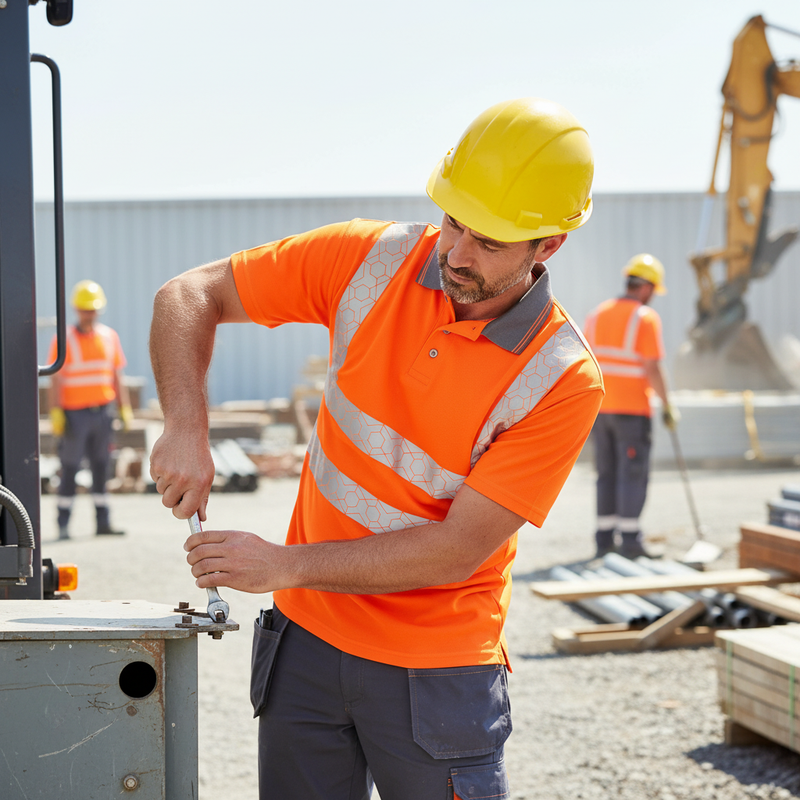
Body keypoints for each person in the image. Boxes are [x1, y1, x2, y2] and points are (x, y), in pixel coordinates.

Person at [148, 98, 604, 800]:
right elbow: (189, 294)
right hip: (308, 647)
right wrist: (185, 424)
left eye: (488, 241)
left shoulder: (561, 379)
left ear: (548, 245)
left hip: (437, 672)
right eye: (453, 220)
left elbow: (456, 549)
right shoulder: (372, 258)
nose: (455, 252)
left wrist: (281, 565)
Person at [583, 254, 680, 559]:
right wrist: (667, 404)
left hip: (600, 409)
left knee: (606, 473)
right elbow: (652, 367)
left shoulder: (597, 314)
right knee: (632, 474)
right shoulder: (644, 317)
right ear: (647, 288)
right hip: (632, 411)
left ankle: (603, 539)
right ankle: (630, 541)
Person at [49, 280, 133, 539]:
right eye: (85, 309)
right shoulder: (63, 340)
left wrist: (124, 407)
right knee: (71, 467)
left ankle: (103, 523)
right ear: (76, 309)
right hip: (75, 414)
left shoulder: (109, 337)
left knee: (101, 467)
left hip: (103, 412)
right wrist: (56, 411)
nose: (90, 314)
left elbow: (118, 376)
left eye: (93, 309)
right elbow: (55, 379)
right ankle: (63, 525)